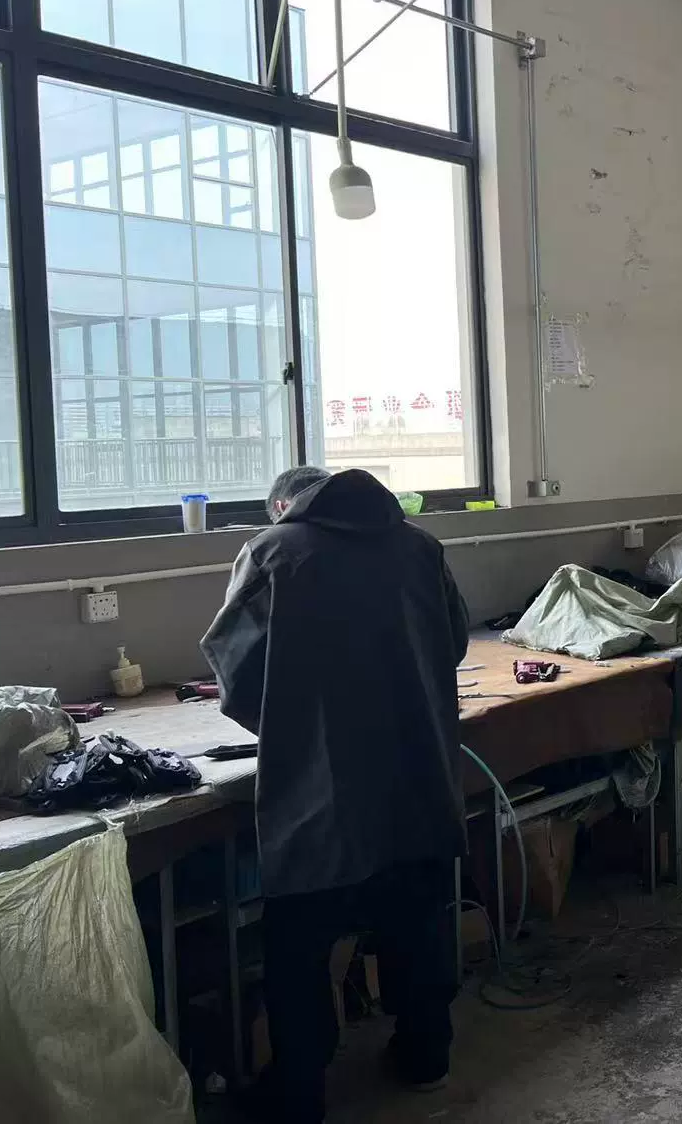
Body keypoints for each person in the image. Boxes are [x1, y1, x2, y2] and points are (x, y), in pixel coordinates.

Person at [202, 466, 471, 1122]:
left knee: (299, 949)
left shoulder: (272, 552)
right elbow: (454, 641)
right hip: (416, 776)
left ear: (283, 506)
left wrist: (290, 725)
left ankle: (299, 1093)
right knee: (418, 920)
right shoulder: (421, 547)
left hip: (320, 791)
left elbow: (233, 668)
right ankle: (426, 1056)